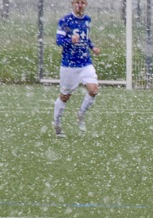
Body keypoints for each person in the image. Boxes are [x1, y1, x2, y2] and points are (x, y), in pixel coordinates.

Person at [52, 0, 101, 137]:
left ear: (86, 4)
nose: (80, 5)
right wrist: (70, 40)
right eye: (77, 2)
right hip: (69, 65)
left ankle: (80, 114)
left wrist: (93, 48)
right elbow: (58, 41)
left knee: (93, 90)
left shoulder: (87, 20)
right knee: (65, 96)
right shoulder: (65, 21)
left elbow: (86, 38)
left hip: (85, 63)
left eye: (82, 2)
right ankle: (57, 123)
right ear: (72, 3)